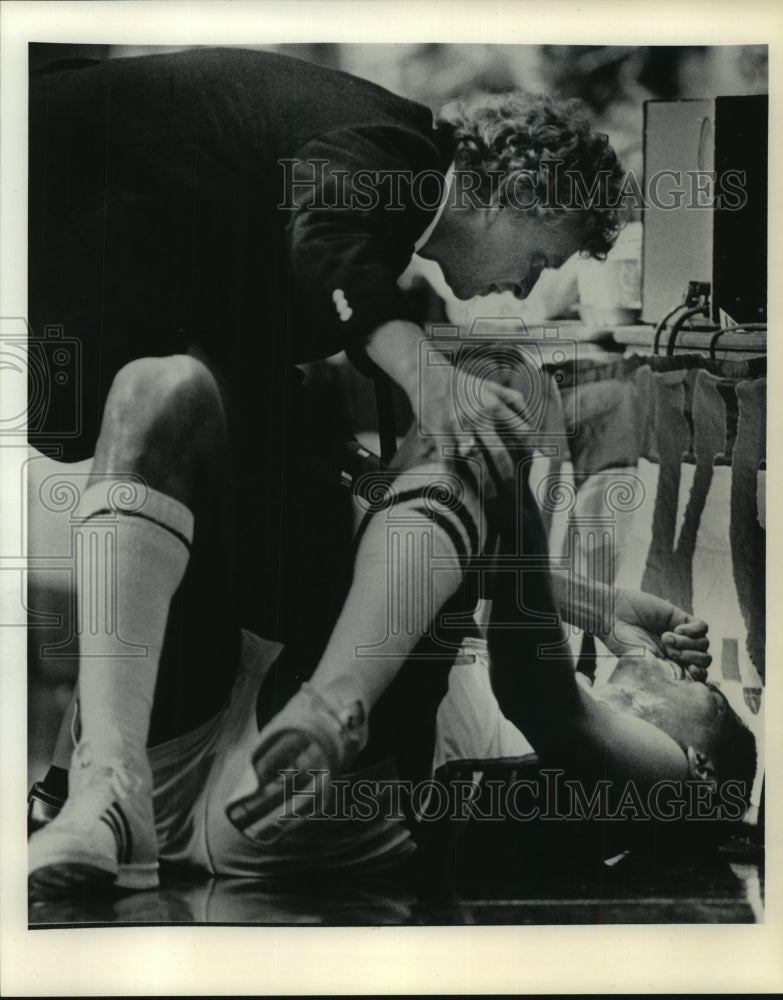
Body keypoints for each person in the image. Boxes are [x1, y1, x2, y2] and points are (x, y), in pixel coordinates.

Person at [28, 355, 754, 896]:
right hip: (222, 737)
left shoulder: (687, 787)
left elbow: (540, 700)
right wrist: (603, 610)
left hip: (327, 805)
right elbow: (439, 555)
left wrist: (518, 508)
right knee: (162, 389)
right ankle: (107, 784)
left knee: (479, 408)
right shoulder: (571, 679)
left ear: (707, 753)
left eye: (708, 693)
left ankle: (329, 705)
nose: (693, 670)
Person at [29, 46, 624, 672]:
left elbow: (255, 358)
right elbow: (326, 240)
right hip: (45, 168)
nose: (527, 288)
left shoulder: (384, 230)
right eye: (539, 261)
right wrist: (430, 377)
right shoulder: (399, 153)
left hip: (82, 237)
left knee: (267, 481)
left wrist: (352, 465)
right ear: (516, 194)